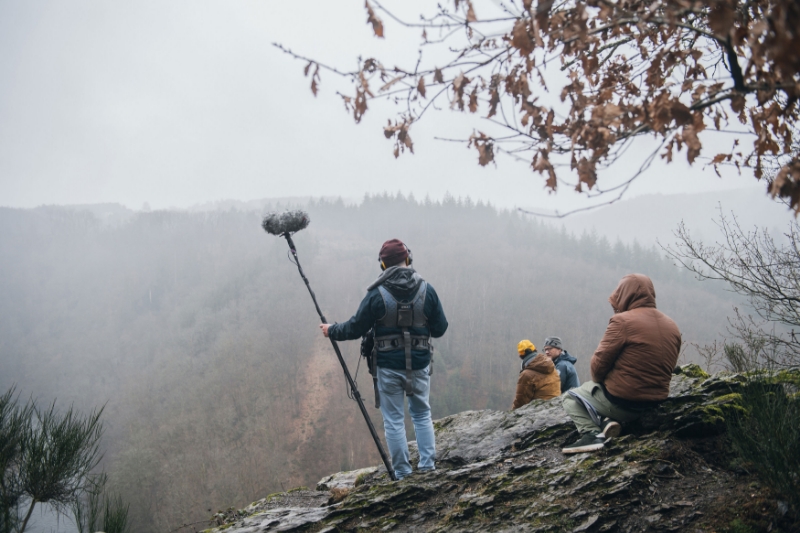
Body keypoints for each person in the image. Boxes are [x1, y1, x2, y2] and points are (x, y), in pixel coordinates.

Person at [320, 239, 448, 479]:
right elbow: (440, 329)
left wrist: (331, 330)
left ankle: (402, 474)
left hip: (387, 368)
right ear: (408, 259)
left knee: (394, 422)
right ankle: (428, 467)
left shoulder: (376, 294)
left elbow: (355, 328)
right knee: (422, 414)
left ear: (382, 265)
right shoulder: (427, 290)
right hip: (419, 365)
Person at [561, 273, 681, 454]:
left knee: (572, 396)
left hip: (624, 402)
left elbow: (597, 367)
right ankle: (606, 421)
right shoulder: (672, 326)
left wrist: (602, 381)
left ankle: (592, 434)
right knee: (594, 391)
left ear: (624, 294)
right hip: (657, 401)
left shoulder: (622, 321)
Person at [511, 340, 561, 410]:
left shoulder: (526, 375)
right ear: (534, 349)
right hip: (555, 408)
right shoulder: (550, 364)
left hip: (538, 412)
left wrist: (511, 415)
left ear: (520, 355)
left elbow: (520, 402)